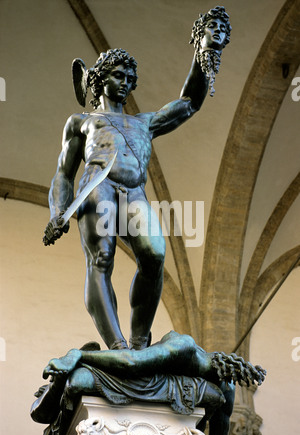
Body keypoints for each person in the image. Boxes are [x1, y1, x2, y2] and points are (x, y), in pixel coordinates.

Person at [43, 8, 231, 351]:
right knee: (101, 259)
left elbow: (189, 102)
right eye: (119, 75)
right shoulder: (82, 122)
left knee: (155, 255)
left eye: (130, 77)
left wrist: (205, 50)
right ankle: (117, 345)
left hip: (134, 191)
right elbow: (62, 172)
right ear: (100, 80)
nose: (126, 82)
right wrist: (57, 209)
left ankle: (139, 341)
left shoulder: (144, 122)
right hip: (98, 186)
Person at [31, 331, 266, 435]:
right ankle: (78, 359)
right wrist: (78, 355)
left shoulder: (223, 387)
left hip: (153, 384)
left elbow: (220, 434)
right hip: (135, 375)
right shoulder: (183, 347)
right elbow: (131, 363)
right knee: (79, 381)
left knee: (79, 381)